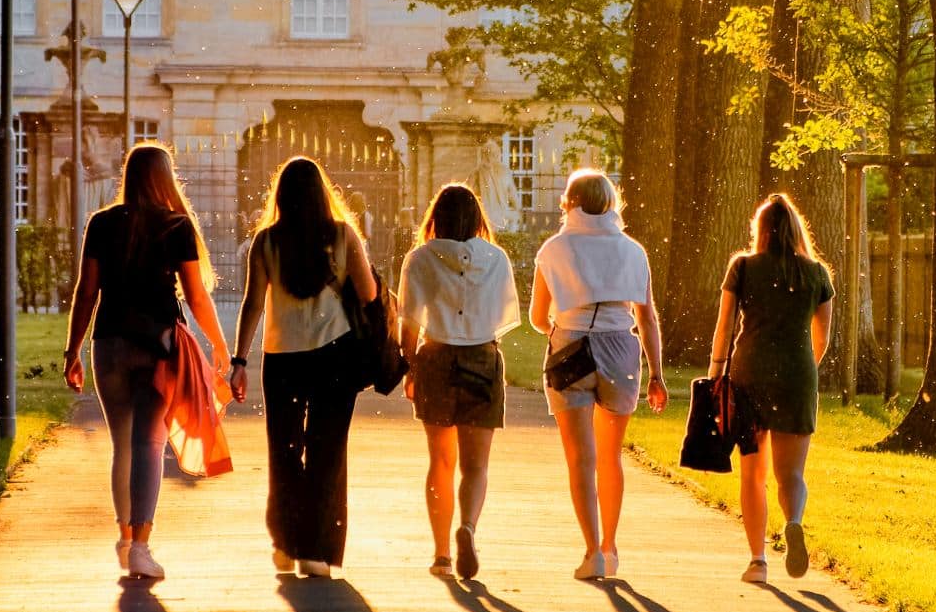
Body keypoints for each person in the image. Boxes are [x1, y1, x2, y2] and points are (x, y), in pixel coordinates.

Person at [64, 142, 232, 581]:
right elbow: (196, 297)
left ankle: (124, 538)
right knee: (149, 445)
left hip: (109, 345)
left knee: (122, 444)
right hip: (158, 346)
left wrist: (72, 351)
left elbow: (86, 292)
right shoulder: (176, 226)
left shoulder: (101, 223)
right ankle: (141, 544)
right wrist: (220, 345)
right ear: (165, 177)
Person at [229, 156, 379, 578]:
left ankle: (285, 543)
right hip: (335, 355)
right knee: (328, 453)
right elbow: (368, 294)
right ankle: (317, 552)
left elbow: (253, 304)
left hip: (282, 359)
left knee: (285, 451)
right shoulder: (343, 235)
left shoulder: (266, 242)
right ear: (321, 192)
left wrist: (239, 360)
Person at [529, 169, 668, 581]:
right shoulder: (632, 250)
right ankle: (611, 544)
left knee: (580, 459)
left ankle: (591, 551)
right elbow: (647, 317)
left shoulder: (554, 249)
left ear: (568, 202)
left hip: (570, 346)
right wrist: (656, 374)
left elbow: (537, 317)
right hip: (620, 349)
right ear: (611, 202)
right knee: (610, 456)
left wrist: (563, 324)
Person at [707, 192, 835, 585]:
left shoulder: (743, 267)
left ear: (760, 230)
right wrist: (803, 370)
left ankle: (757, 561)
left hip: (750, 374)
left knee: (752, 474)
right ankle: (793, 521)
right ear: (797, 229)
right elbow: (823, 336)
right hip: (797, 375)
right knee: (791, 474)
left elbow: (725, 325)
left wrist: (716, 372)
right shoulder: (815, 274)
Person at [397, 183, 521, 580]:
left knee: (440, 460)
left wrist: (410, 365)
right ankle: (467, 527)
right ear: (477, 218)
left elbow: (410, 321)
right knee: (475, 465)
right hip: (482, 357)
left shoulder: (420, 258)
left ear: (438, 217)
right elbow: (503, 316)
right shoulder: (497, 259)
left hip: (435, 356)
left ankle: (440, 555)